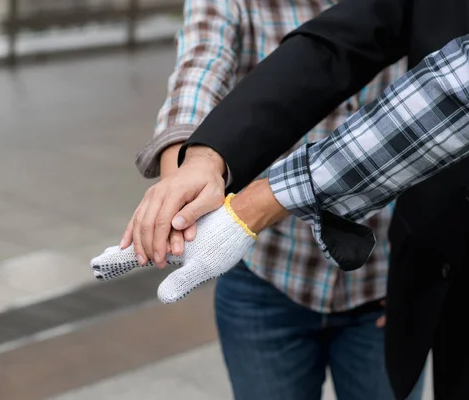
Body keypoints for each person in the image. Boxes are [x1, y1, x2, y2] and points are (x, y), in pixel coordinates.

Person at [98, 0, 469, 398]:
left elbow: (446, 99)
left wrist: (251, 207)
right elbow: (205, 67)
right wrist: (188, 178)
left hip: (379, 283)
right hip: (270, 275)